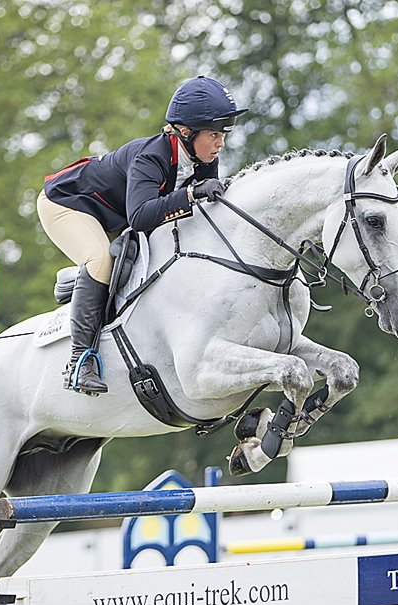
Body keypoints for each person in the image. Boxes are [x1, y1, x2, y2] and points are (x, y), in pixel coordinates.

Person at [38, 75, 248, 395]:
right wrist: (191, 195)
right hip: (70, 204)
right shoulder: (153, 156)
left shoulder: (204, 161)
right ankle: (80, 361)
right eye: (214, 134)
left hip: (112, 216)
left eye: (223, 134)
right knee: (99, 259)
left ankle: (75, 282)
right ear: (186, 133)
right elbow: (140, 216)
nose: (221, 143)